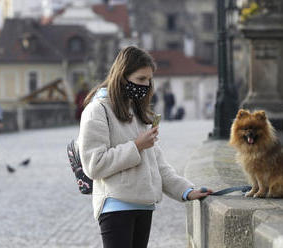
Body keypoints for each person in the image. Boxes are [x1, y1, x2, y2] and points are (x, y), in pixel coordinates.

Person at [79, 46, 212, 248]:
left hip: (144, 205)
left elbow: (158, 166)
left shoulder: (137, 112)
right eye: (141, 79)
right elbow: (94, 165)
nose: (146, 85)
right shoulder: (97, 110)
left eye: (149, 80)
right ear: (122, 76)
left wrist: (186, 191)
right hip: (115, 205)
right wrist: (136, 146)